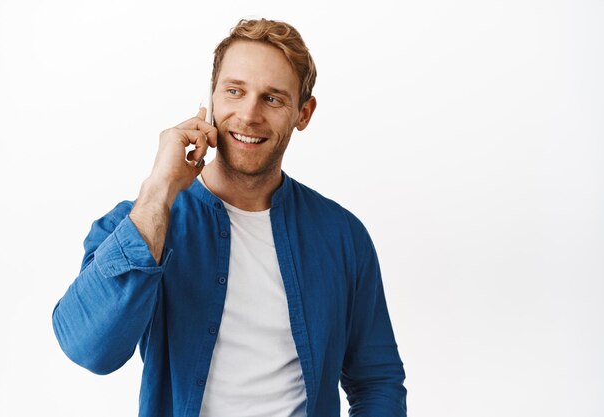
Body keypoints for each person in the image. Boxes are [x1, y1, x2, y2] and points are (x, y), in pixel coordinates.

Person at [52, 18, 407, 417]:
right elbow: (88, 348)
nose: (249, 114)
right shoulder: (142, 222)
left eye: (272, 99)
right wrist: (158, 190)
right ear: (213, 99)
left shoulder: (342, 236)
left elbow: (377, 380)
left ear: (303, 114)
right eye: (235, 91)